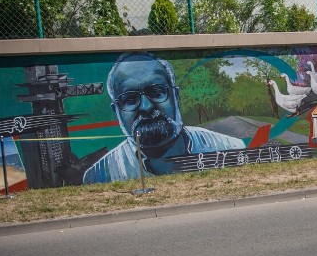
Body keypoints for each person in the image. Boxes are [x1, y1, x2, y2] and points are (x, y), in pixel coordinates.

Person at [83, 52, 244, 184]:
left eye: (156, 91)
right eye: (130, 99)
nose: (146, 107)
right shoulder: (100, 176)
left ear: (176, 97)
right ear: (116, 111)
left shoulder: (230, 148)